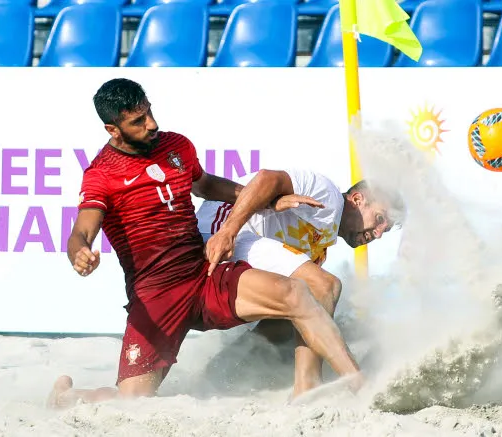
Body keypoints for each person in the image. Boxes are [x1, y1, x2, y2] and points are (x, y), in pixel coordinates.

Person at [46, 78, 363, 409]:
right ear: (113, 129)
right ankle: (67, 398)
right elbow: (82, 230)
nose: (151, 124)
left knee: (298, 292)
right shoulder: (101, 174)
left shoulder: (176, 145)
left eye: (150, 112)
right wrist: (79, 253)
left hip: (202, 272)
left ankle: (358, 387)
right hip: (157, 297)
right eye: (138, 121)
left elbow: (207, 185)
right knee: (132, 400)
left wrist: (268, 201)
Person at [197, 169, 404, 398]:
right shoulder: (329, 198)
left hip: (236, 242)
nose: (379, 233)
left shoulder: (322, 241)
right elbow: (267, 178)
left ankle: (223, 370)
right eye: (379, 219)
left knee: (298, 316)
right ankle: (310, 388)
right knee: (324, 286)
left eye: (386, 228)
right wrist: (228, 232)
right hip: (221, 229)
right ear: (357, 199)